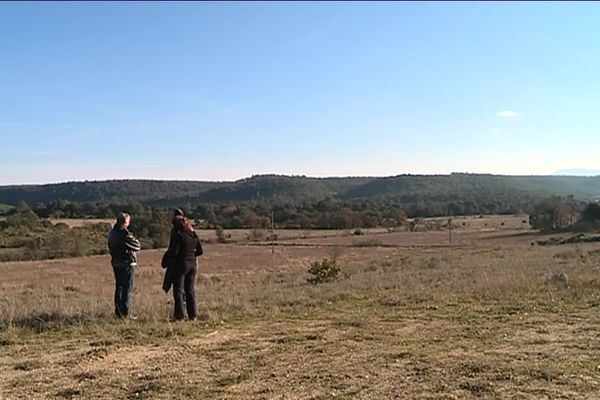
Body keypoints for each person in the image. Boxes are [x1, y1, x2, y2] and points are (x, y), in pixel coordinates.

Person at [165, 213, 203, 320]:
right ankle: (193, 315)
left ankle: (180, 315)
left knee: (178, 291)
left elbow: (174, 252)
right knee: (190, 291)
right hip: (192, 265)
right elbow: (200, 251)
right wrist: (191, 255)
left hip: (180, 265)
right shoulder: (193, 235)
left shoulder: (179, 236)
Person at [107, 212, 141, 318]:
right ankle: (125, 312)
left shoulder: (112, 233)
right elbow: (137, 245)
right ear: (125, 222)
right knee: (127, 287)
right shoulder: (125, 233)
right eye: (128, 221)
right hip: (126, 262)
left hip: (116, 262)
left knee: (119, 287)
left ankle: (118, 312)